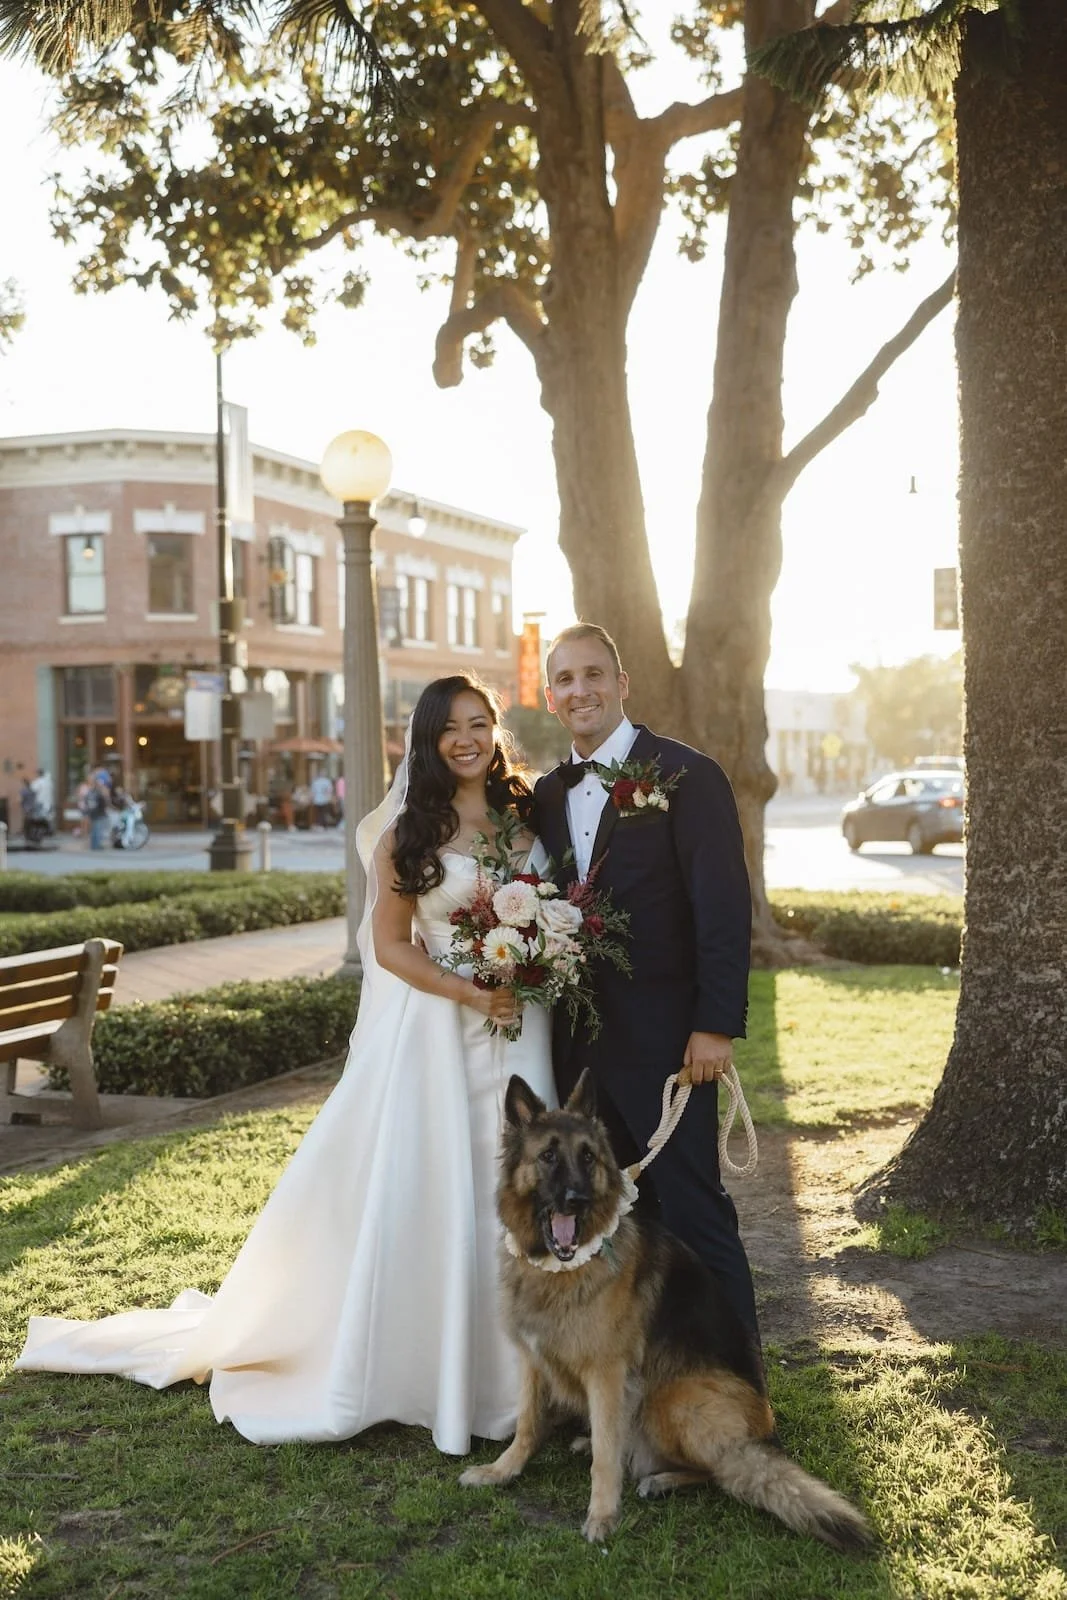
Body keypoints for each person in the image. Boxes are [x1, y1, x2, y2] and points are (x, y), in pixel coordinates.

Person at [15, 675, 555, 1456]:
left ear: (495, 730)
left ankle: (530, 1373)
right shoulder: (406, 831)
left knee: (520, 1179)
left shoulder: (524, 815)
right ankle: (446, 1373)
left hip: (521, 1029)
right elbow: (392, 945)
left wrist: (535, 965)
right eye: (450, 729)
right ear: (428, 742)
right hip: (442, 1030)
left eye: (480, 723)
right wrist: (468, 990)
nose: (467, 738)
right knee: (445, 1185)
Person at [533, 622, 761, 1350]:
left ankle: (739, 1388)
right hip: (576, 1055)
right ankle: (640, 1387)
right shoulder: (545, 793)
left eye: (594, 674)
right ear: (548, 697)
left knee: (693, 1214)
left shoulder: (687, 775)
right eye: (565, 679)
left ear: (622, 684)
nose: (581, 690)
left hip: (669, 1044)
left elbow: (722, 908)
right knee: (611, 1226)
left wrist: (715, 1025)